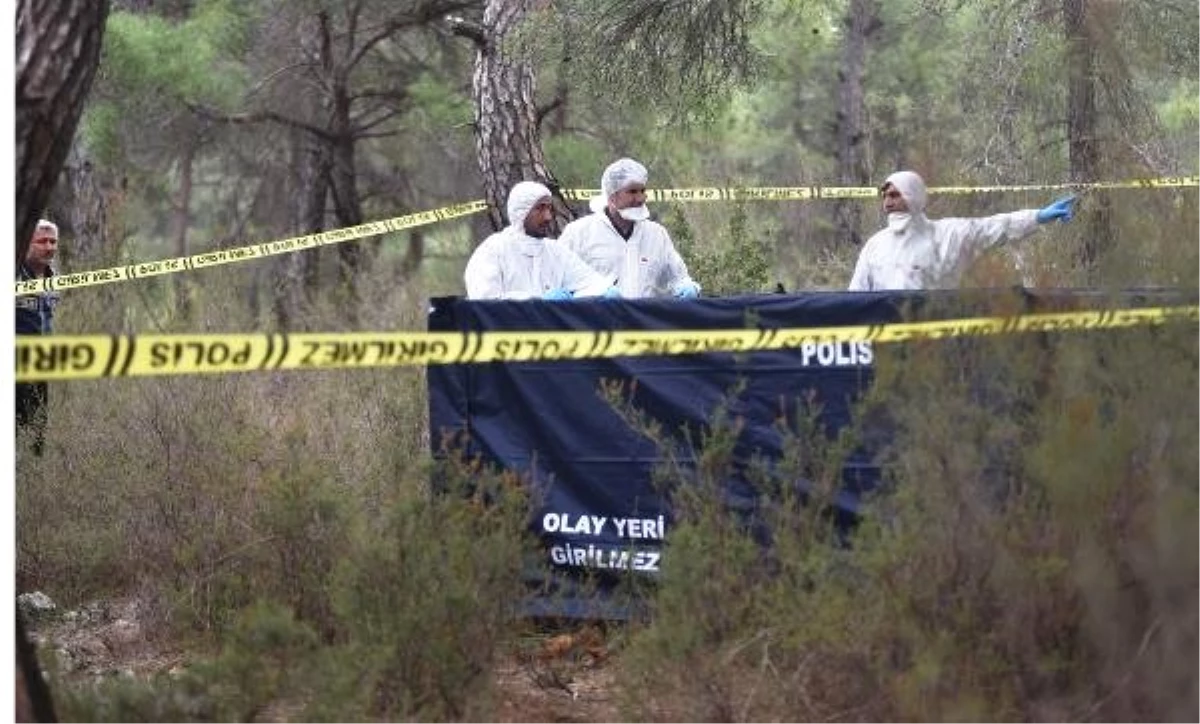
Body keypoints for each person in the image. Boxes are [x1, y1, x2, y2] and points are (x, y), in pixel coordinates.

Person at [848, 170, 1077, 291]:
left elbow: (997, 227)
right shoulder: (874, 246)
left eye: (895, 195)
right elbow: (856, 297)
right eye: (885, 196)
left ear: (914, 195)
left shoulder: (949, 235)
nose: (887, 202)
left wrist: (1038, 216)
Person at [559, 158, 701, 299]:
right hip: (595, 320)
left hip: (643, 320)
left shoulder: (656, 235)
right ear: (612, 196)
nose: (640, 198)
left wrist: (687, 287)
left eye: (642, 190)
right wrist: (593, 294)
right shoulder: (579, 233)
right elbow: (559, 277)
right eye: (632, 191)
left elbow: (677, 278)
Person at [464, 181, 618, 300]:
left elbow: (589, 282)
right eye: (540, 208)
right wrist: (538, 304)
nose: (548, 217)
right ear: (521, 212)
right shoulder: (493, 250)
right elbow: (485, 305)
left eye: (549, 208)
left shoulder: (556, 252)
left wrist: (605, 293)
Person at [17, 219, 61, 456]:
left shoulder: (54, 278)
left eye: (53, 241)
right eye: (42, 241)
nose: (49, 246)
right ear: (27, 243)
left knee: (37, 432)